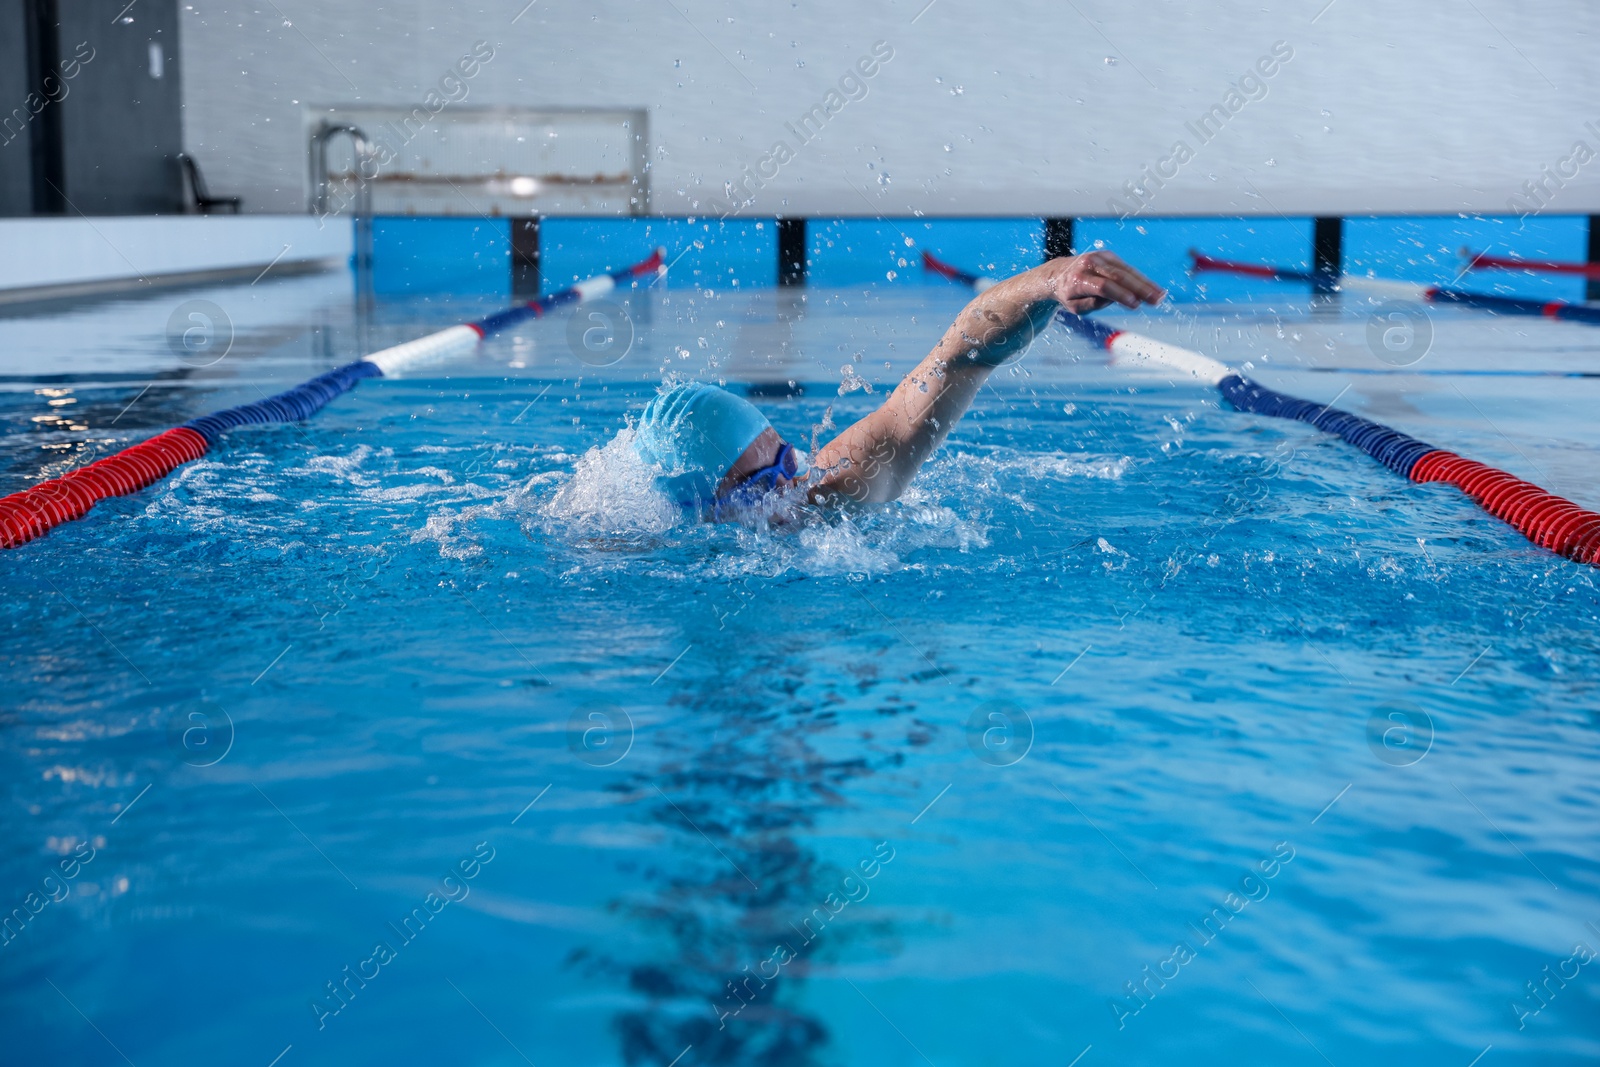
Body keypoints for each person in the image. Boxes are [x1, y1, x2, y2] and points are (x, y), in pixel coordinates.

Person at [632, 251, 1165, 514]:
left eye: (787, 460)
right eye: (762, 486)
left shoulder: (832, 491)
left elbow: (960, 357)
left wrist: (1049, 281)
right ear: (704, 512)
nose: (793, 488)